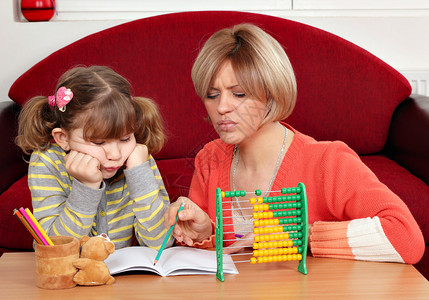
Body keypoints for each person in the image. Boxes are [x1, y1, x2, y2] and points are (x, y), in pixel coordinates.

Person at [164, 23, 425, 264]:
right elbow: (203, 263)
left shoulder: (328, 161)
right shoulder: (210, 159)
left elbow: (405, 238)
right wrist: (203, 232)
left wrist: (301, 236)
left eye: (239, 94)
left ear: (272, 93)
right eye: (212, 95)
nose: (221, 107)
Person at [16, 65, 173, 250]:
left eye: (125, 138)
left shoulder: (137, 159)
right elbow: (54, 249)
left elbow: (161, 243)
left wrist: (139, 174)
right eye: (99, 143)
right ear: (63, 138)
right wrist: (86, 188)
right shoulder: (46, 162)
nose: (115, 154)